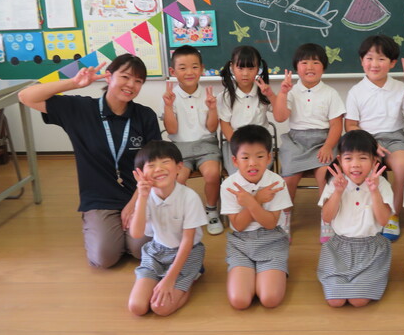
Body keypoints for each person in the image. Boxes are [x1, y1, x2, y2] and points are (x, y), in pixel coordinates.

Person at [18, 54, 161, 268]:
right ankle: (105, 228)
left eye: (138, 81)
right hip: (99, 198)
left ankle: (120, 234)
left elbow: (153, 163)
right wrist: (73, 83)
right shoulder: (80, 109)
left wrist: (134, 203)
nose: (131, 85)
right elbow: (26, 96)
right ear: (108, 77)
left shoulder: (145, 115)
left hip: (139, 194)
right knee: (105, 258)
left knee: (140, 249)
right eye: (125, 77)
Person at [345, 34, 404, 241]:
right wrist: (371, 144)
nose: (374, 64)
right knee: (362, 168)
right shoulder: (356, 91)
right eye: (369, 58)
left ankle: (393, 215)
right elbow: (350, 126)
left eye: (381, 59)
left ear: (392, 63)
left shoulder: (400, 87)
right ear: (362, 61)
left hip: (394, 138)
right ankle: (366, 211)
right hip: (365, 140)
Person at [272, 43, 345, 243]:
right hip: (296, 141)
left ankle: (327, 218)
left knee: (325, 175)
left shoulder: (330, 93)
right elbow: (280, 117)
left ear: (324, 67)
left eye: (316, 62)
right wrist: (282, 93)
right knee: (288, 178)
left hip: (323, 141)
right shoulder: (291, 91)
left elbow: (336, 125)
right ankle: (285, 216)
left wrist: (328, 146)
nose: (310, 67)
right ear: (296, 67)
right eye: (304, 62)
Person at [127, 141, 207, 316]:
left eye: (165, 162)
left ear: (179, 167)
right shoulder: (146, 196)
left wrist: (170, 279)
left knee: (161, 309)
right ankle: (167, 279)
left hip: (187, 253)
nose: (158, 169)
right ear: (140, 173)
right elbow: (136, 233)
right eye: (151, 165)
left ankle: (191, 278)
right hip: (157, 252)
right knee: (137, 307)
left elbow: (187, 241)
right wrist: (142, 197)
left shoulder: (189, 197)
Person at [317, 130, 394, 307]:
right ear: (339, 161)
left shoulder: (382, 184)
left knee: (358, 300)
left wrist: (374, 192)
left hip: (372, 249)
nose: (355, 165)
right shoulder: (335, 183)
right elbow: (327, 217)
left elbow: (384, 221)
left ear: (375, 161)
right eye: (348, 158)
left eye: (363, 158)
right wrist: (338, 192)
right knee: (335, 301)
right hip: (338, 248)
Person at [220, 124, 292, 309]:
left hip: (272, 240)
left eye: (259, 156)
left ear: (269, 157)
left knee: (270, 299)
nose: (252, 163)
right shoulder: (228, 185)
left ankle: (271, 271)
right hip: (241, 243)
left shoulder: (276, 182)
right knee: (240, 301)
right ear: (235, 161)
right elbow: (239, 226)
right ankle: (254, 272)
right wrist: (258, 199)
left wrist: (251, 202)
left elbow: (270, 224)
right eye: (245, 157)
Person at [161, 45, 222, 235]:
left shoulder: (209, 94)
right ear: (173, 71)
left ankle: (211, 210)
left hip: (206, 146)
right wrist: (168, 106)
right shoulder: (170, 97)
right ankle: (185, 214)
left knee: (212, 174)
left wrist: (213, 108)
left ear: (202, 69)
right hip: (179, 149)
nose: (189, 72)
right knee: (178, 179)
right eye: (183, 67)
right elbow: (172, 130)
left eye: (195, 67)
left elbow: (212, 128)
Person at [218, 46, 275, 176]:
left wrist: (271, 95)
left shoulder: (264, 92)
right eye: (240, 68)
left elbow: (279, 115)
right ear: (232, 67)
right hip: (235, 144)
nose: (245, 73)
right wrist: (237, 146)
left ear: (258, 69)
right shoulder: (226, 96)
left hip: (260, 144)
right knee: (237, 173)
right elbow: (225, 124)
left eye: (251, 68)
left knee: (261, 172)